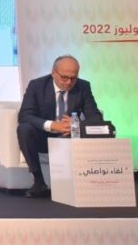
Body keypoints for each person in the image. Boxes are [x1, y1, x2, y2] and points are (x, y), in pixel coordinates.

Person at [17, 55, 103, 198]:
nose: (69, 82)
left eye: (73, 78)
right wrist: (52, 125)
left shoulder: (83, 86)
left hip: (69, 137)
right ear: (53, 73)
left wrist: (76, 125)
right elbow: (25, 115)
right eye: (64, 77)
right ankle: (39, 181)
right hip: (42, 137)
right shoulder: (37, 85)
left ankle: (78, 183)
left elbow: (96, 118)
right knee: (24, 129)